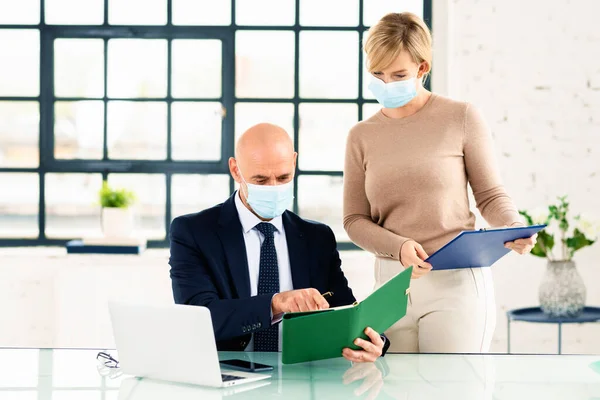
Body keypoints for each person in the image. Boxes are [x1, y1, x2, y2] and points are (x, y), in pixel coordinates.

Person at [343, 12, 537, 353]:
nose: (386, 84)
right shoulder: (361, 136)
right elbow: (354, 220)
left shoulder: (459, 117)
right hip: (392, 284)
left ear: (422, 68)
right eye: (377, 74)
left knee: (453, 386)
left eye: (398, 74)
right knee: (393, 389)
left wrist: (513, 226)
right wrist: (399, 247)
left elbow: (489, 195)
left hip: (456, 283)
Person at [169, 123, 389, 362]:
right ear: (235, 170)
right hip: (228, 375)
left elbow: (345, 311)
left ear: (294, 162)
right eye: (260, 180)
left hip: (304, 374)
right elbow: (199, 317)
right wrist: (274, 304)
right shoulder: (194, 232)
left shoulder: (317, 238)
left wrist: (374, 340)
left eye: (283, 177)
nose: (273, 188)